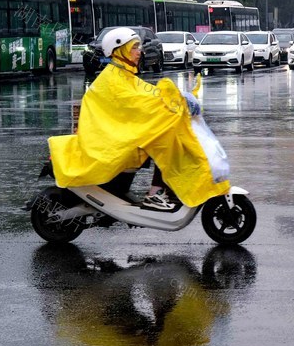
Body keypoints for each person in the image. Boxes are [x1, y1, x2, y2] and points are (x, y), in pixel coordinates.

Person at [48, 27, 228, 211]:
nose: (139, 51)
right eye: (134, 47)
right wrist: (171, 103)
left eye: (139, 47)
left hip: (119, 134)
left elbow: (147, 94)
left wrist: (179, 98)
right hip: (111, 140)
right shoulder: (112, 78)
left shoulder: (124, 73)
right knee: (164, 137)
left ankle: (164, 190)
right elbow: (139, 103)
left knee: (166, 132)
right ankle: (156, 194)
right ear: (120, 50)